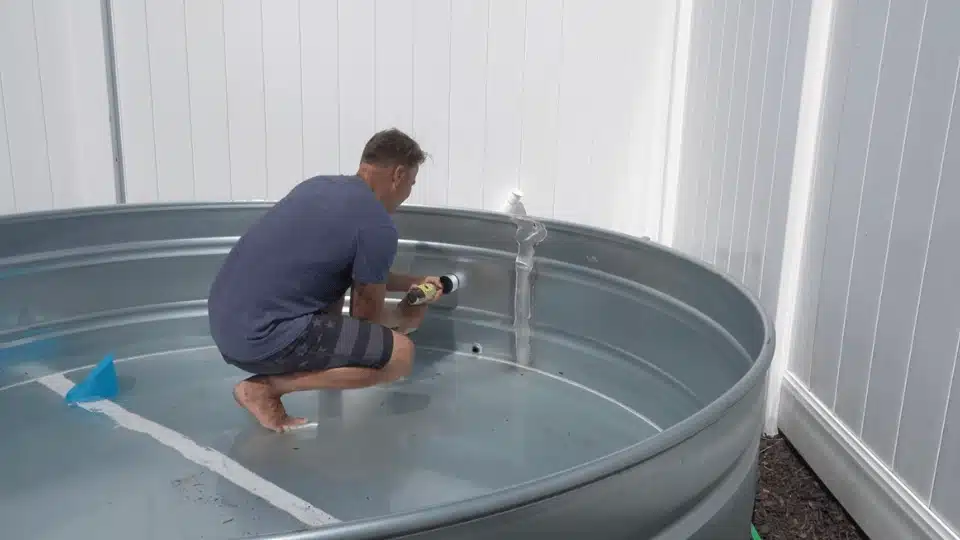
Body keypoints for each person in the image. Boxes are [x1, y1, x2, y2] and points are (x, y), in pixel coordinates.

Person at [207, 128, 444, 432]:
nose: (407, 193)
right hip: (263, 336)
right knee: (400, 355)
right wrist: (404, 316)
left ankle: (277, 377)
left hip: (225, 322)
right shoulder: (377, 225)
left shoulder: (316, 187)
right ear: (398, 175)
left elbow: (347, 269)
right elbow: (366, 323)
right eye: (411, 183)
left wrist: (414, 282)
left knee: (334, 294)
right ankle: (267, 388)